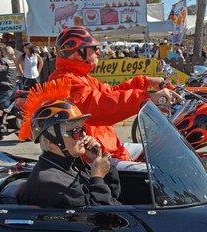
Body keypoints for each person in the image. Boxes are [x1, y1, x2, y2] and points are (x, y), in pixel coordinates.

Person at [48, 26, 180, 161]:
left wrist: (145, 81)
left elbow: (110, 92)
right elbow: (98, 106)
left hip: (109, 148)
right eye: (93, 48)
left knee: (162, 148)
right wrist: (146, 98)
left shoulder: (80, 77)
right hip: (95, 158)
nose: (98, 52)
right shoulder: (64, 80)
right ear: (78, 52)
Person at [18, 79, 121, 208]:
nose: (83, 135)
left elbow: (113, 197)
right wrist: (97, 176)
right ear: (51, 141)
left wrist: (97, 160)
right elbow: (101, 215)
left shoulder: (70, 164)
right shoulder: (50, 181)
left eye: (83, 129)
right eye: (76, 131)